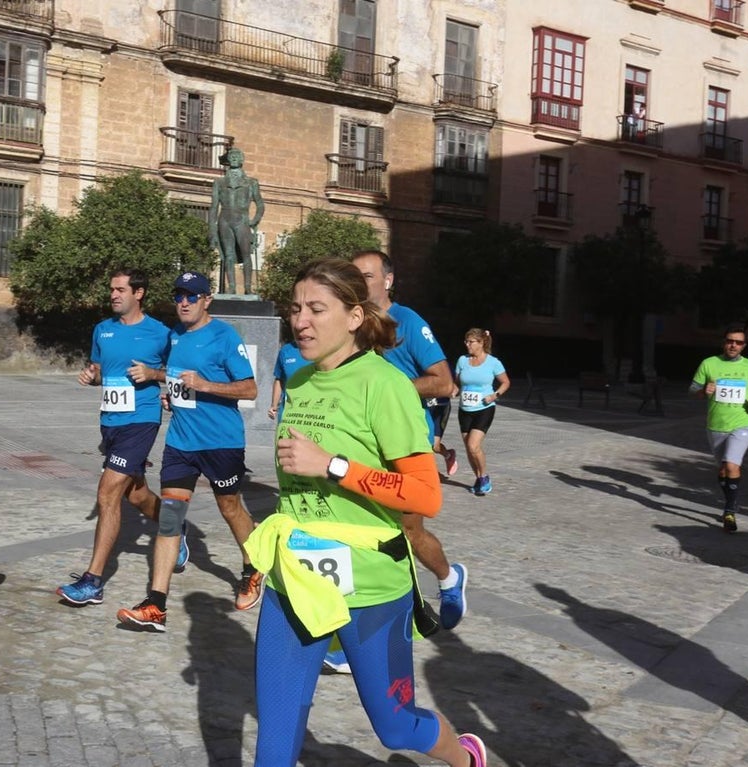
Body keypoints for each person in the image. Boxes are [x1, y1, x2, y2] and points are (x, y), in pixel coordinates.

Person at [244, 257, 488, 767]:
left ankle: (465, 758)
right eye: (295, 309)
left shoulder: (386, 385)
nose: (301, 321)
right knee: (276, 734)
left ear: (355, 316)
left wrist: (332, 465)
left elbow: (426, 496)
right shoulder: (301, 380)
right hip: (296, 578)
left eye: (317, 309)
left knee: (394, 725)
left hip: (372, 586)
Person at [115, 270, 262, 631]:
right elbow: (177, 375)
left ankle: (253, 566)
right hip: (181, 442)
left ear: (206, 300)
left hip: (221, 441)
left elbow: (250, 389)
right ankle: (156, 604)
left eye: (191, 296)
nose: (183, 302)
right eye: (179, 296)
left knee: (229, 507)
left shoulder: (225, 336)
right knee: (169, 519)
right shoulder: (175, 336)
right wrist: (165, 386)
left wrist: (207, 385)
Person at [351, 249, 467, 632]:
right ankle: (360, 632)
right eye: (355, 276)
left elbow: (444, 383)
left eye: (367, 276)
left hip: (402, 445)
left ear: (388, 280)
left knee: (409, 530)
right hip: (360, 443)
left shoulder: (407, 322)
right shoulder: (351, 324)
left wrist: (392, 390)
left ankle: (449, 579)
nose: (360, 282)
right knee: (362, 532)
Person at [56, 268, 172, 606]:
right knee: (135, 495)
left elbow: (178, 372)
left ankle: (93, 581)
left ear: (139, 293)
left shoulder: (160, 333)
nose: (114, 295)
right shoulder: (102, 330)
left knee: (108, 493)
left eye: (121, 289)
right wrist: (91, 377)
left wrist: (154, 374)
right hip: (110, 422)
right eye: (112, 290)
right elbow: (100, 372)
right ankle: (174, 529)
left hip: (142, 419)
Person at [690, 324, 748, 533]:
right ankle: (731, 501)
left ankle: (729, 511)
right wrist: (704, 391)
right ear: (724, 342)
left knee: (732, 466)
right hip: (716, 425)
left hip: (743, 423)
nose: (734, 345)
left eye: (738, 342)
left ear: (744, 346)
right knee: (723, 469)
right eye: (730, 341)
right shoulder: (709, 363)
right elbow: (693, 389)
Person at [454, 328, 510, 496]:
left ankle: (484, 477)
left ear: (481, 343)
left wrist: (495, 395)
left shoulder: (493, 362)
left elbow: (505, 382)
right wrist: (452, 391)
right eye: (466, 341)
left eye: (471, 342)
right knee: (469, 448)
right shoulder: (462, 361)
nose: (467, 345)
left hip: (484, 409)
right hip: (465, 409)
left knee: (473, 445)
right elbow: (457, 383)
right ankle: (479, 479)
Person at [209, 147, 265, 295]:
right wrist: (212, 231)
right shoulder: (219, 182)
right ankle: (232, 287)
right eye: (231, 156)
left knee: (246, 254)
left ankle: (247, 287)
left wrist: (255, 220)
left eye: (237, 156)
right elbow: (214, 207)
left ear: (242, 160)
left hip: (242, 220)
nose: (234, 158)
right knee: (228, 255)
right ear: (228, 160)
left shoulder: (251, 182)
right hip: (224, 220)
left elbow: (260, 204)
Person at [267, 339, 308, 421]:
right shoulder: (285, 351)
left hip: (312, 412)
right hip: (287, 413)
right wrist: (274, 406)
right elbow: (279, 379)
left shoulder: (319, 350)